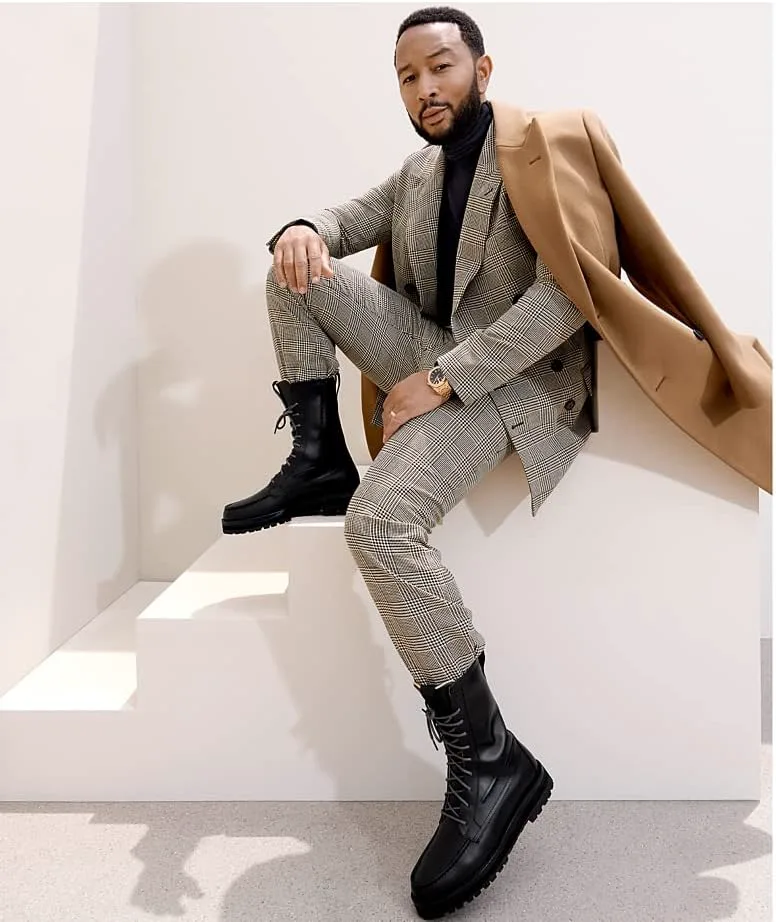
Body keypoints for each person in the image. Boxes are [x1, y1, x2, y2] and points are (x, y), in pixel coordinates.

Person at [223, 6, 588, 919]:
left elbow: (564, 303)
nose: (425, 88)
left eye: (441, 67)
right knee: (294, 265)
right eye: (408, 76)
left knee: (382, 525)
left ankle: (491, 758)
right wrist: (302, 224)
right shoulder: (420, 172)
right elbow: (346, 218)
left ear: (483, 69)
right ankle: (318, 457)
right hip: (436, 351)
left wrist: (444, 378)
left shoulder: (539, 152)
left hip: (518, 380)